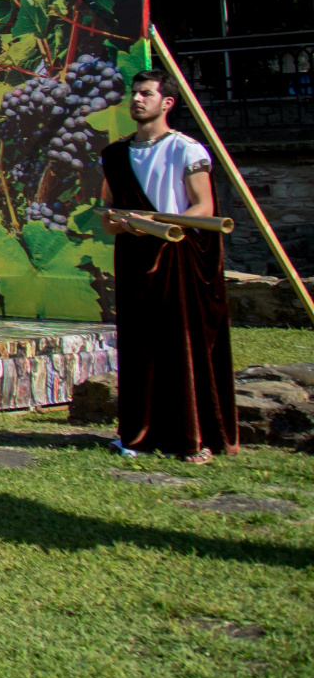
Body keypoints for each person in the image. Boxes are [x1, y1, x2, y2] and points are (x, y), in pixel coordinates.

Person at [98, 69, 237, 463]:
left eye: (146, 94)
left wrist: (157, 224)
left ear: (167, 102)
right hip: (133, 256)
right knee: (140, 345)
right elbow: (107, 212)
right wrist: (122, 224)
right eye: (134, 94)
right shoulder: (116, 154)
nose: (137, 100)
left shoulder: (186, 149)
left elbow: (203, 208)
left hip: (176, 257)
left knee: (182, 345)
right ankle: (139, 433)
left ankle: (196, 437)